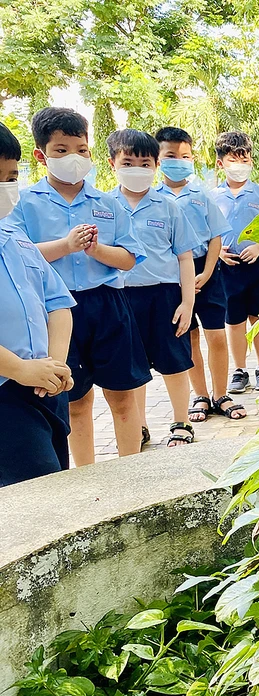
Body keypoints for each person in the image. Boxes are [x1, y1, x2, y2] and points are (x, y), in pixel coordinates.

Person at [6, 107, 149, 466]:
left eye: (81, 149)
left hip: (107, 305)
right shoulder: (22, 203)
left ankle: (131, 471)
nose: (73, 158)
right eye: (61, 150)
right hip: (55, 314)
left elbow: (131, 257)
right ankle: (87, 477)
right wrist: (65, 245)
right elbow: (18, 254)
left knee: (123, 395)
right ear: (41, 155)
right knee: (75, 400)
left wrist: (97, 249)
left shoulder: (107, 203)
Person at [109, 129, 200, 448]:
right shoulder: (105, 206)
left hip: (164, 296)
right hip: (122, 297)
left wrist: (187, 303)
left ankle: (181, 422)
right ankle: (140, 425)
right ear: (113, 164)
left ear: (156, 165)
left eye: (145, 162)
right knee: (133, 367)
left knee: (174, 361)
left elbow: (185, 257)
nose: (137, 168)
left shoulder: (169, 206)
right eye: (128, 161)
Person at [0, 123, 76, 486]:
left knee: (55, 484)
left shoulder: (14, 237)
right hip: (6, 395)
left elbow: (58, 302)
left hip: (45, 387)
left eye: (10, 176)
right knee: (37, 496)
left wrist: (54, 364)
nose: (5, 186)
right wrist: (19, 368)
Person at [153, 127, 245, 423]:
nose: (178, 161)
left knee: (216, 335)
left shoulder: (201, 195)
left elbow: (216, 237)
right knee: (189, 337)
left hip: (207, 270)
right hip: (176, 276)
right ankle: (201, 395)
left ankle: (221, 394)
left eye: (185, 155)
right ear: (158, 159)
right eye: (170, 155)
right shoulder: (155, 199)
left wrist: (206, 273)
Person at [211, 131, 259, 394]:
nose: (239, 165)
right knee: (234, 320)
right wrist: (217, 253)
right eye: (233, 159)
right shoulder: (212, 197)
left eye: (244, 159)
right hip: (227, 268)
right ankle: (239, 370)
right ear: (221, 163)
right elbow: (205, 233)